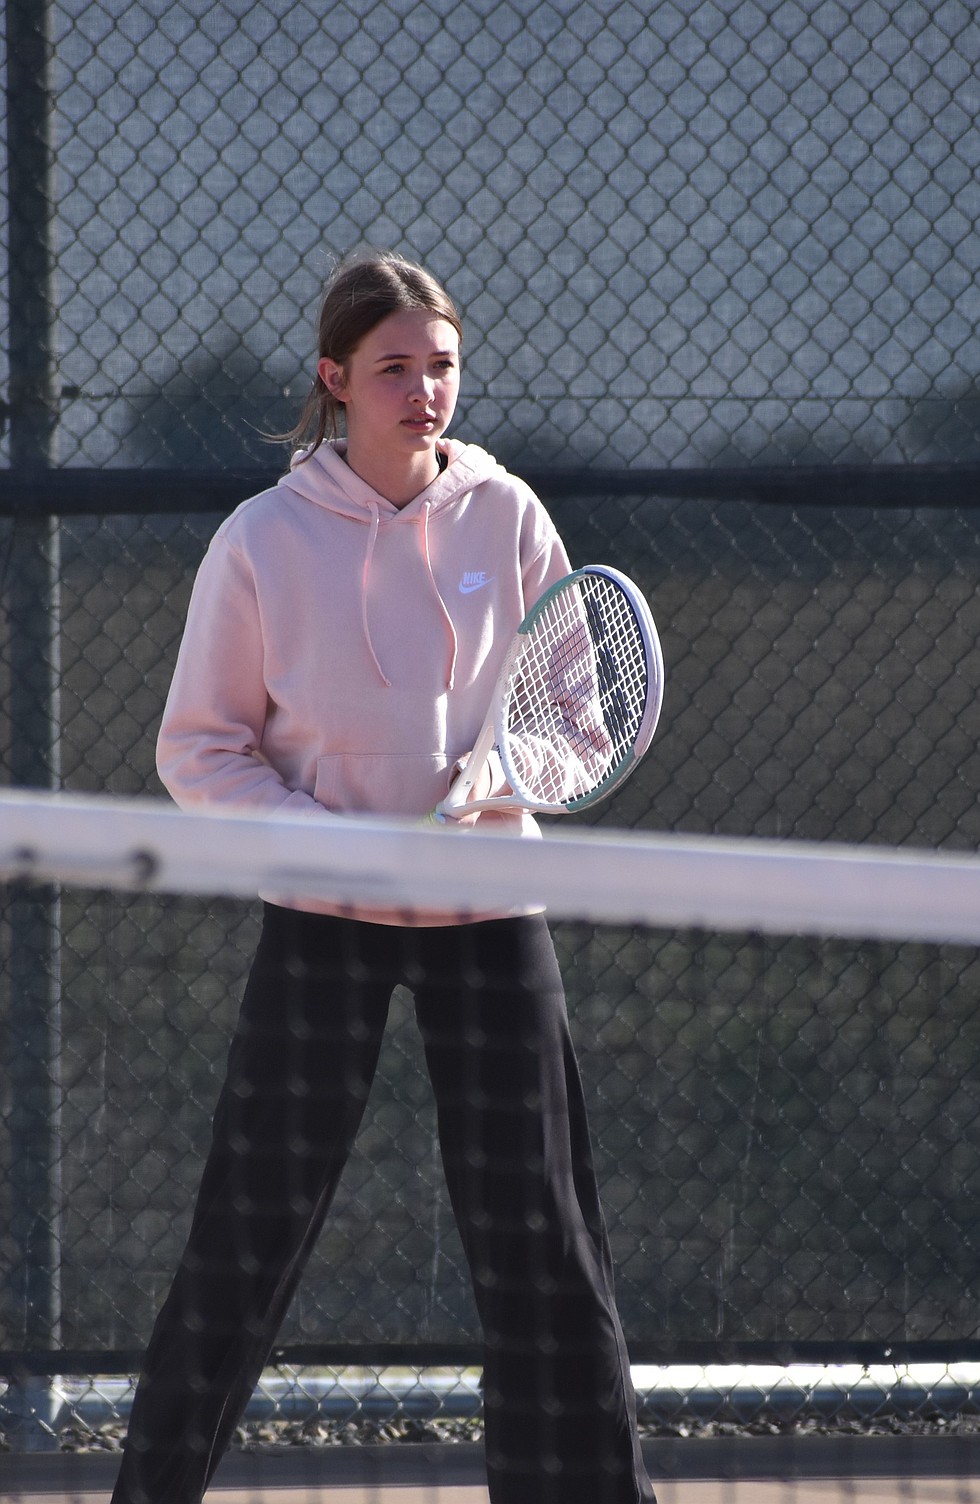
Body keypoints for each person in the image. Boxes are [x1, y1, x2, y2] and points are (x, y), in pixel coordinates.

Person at [111, 251, 656, 1504]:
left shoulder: (510, 516)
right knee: (244, 1241)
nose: (424, 393)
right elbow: (198, 747)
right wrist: (325, 838)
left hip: (488, 911)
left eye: (442, 368)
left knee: (546, 1247)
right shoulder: (260, 541)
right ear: (335, 380)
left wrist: (501, 775)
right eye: (395, 369)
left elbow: (575, 714)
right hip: (322, 922)